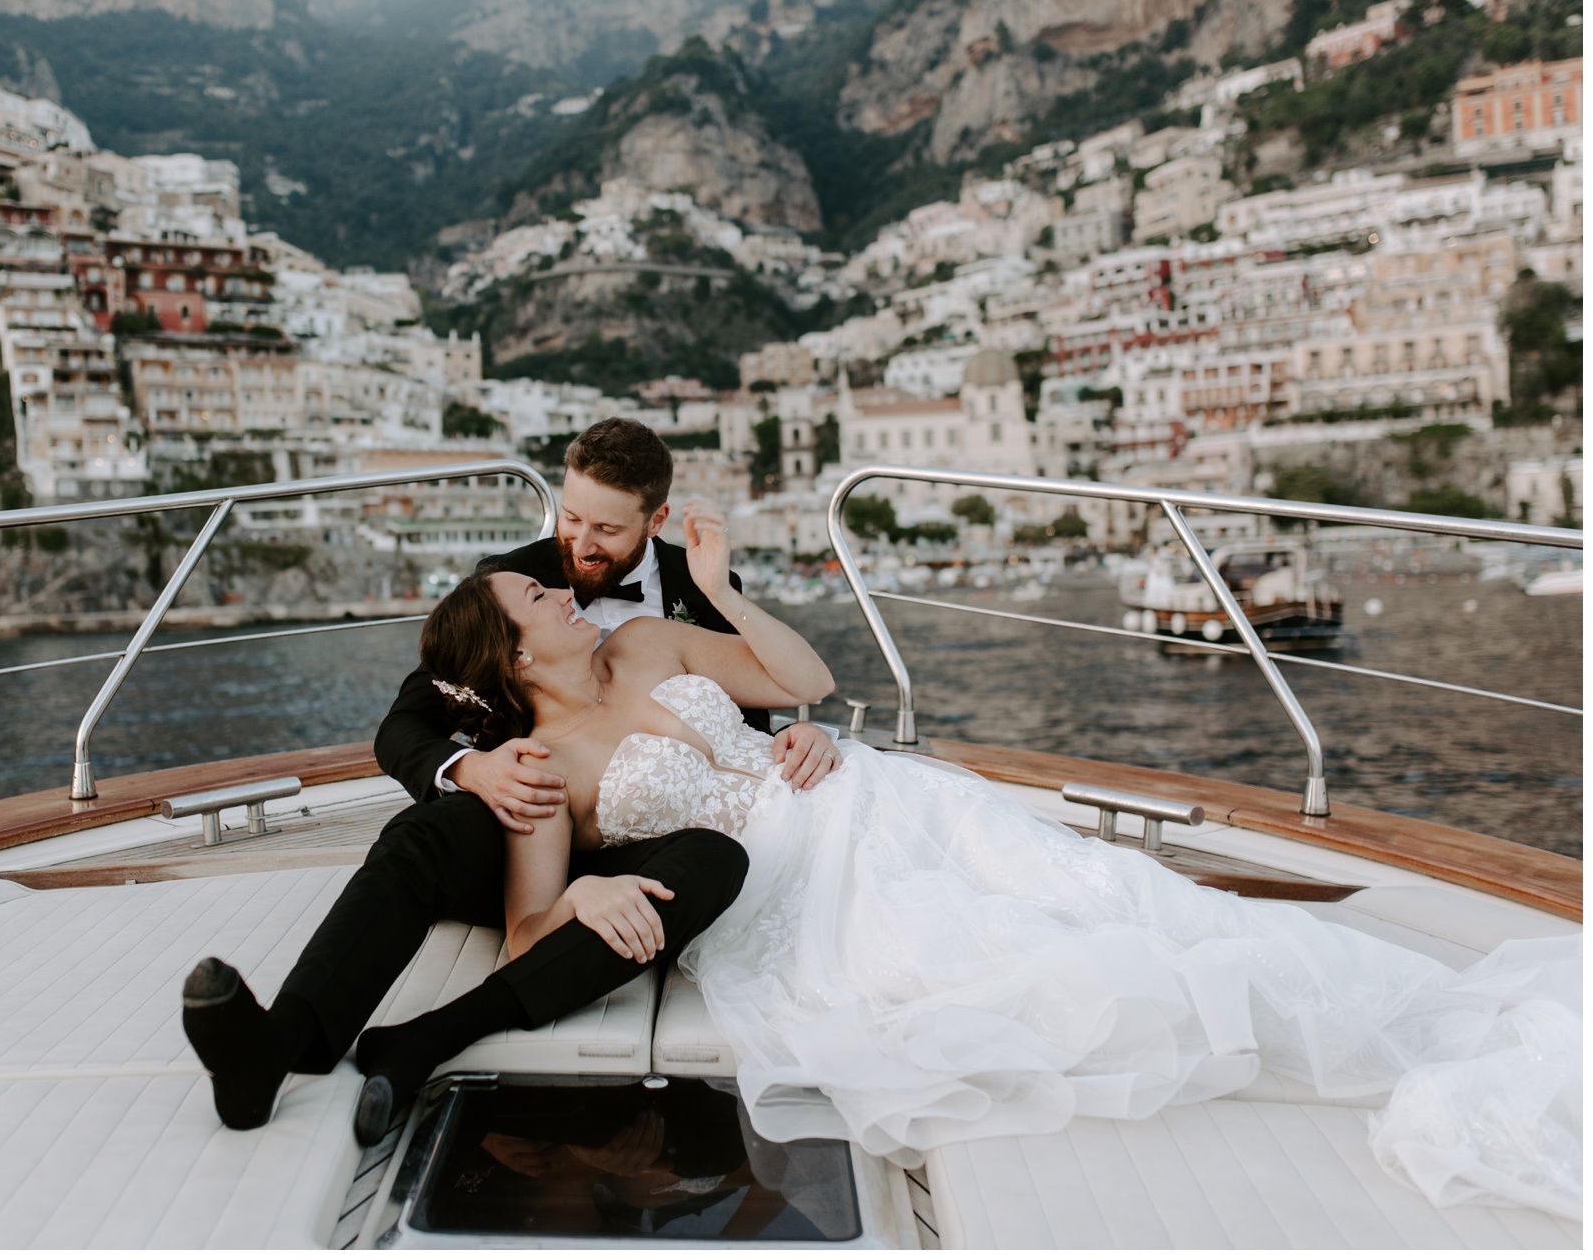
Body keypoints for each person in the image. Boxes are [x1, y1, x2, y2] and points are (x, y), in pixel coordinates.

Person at [381, 500, 1582, 1221]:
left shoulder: (646, 639)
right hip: (787, 891)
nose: (560, 584)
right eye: (534, 595)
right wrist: (585, 880)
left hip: (860, 794)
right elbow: (535, 934)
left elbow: (803, 685)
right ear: (509, 653)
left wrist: (714, 593)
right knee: (1034, 967)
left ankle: (1364, 995)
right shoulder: (535, 770)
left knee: (1113, 890)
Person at [179, 419, 841, 1144]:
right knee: (423, 835)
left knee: (716, 856)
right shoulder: (508, 583)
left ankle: (431, 1037)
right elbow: (404, 726)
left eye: (607, 529)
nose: (581, 544)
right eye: (573, 516)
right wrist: (474, 766)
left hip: (670, 829)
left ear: (655, 520)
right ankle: (286, 1041)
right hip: (534, 807)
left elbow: (742, 718)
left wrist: (794, 733)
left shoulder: (695, 585)